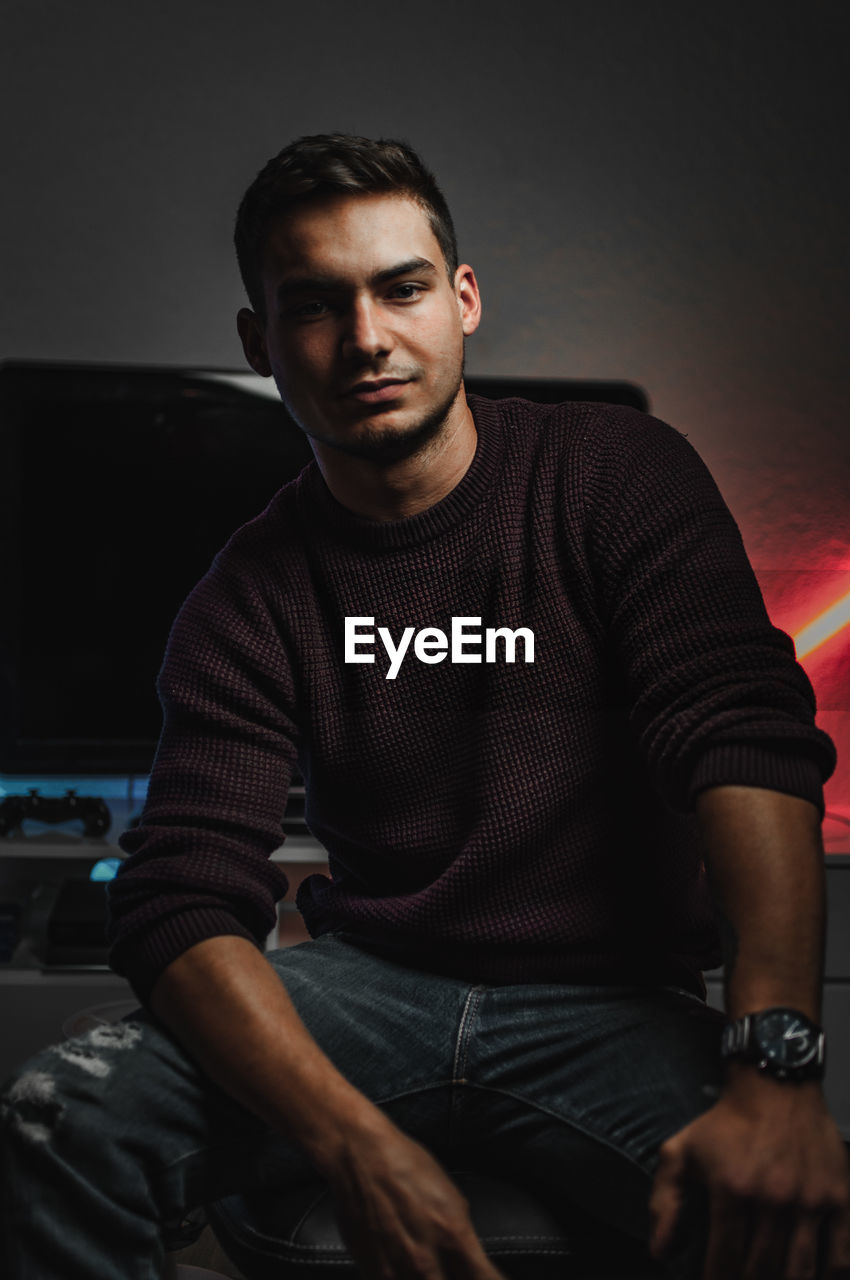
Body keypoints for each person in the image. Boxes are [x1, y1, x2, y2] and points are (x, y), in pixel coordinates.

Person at [2, 132, 849, 1280]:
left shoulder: (615, 474)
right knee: (62, 1115)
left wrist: (777, 1068)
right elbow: (181, 892)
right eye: (313, 304)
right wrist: (352, 1143)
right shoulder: (246, 594)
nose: (365, 339)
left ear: (461, 300)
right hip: (370, 992)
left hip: (604, 1004)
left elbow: (740, 736)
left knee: (800, 1219)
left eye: (400, 288)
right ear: (259, 342)